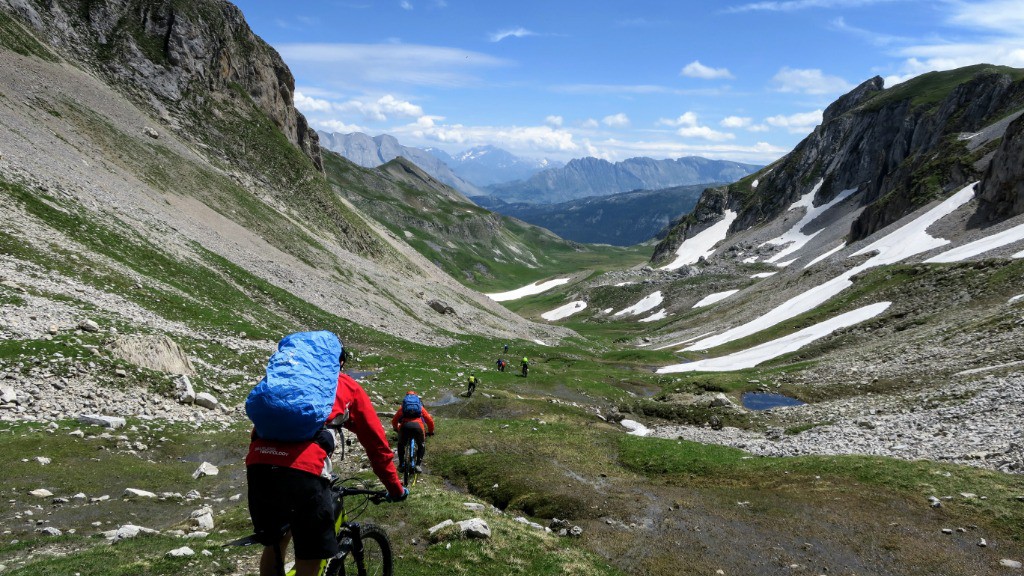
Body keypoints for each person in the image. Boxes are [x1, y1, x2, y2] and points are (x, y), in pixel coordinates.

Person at [246, 347, 407, 576]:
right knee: (310, 554)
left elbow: (259, 430)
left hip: (259, 466)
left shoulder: (286, 380)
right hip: (305, 472)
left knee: (276, 541)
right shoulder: (345, 384)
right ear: (339, 362)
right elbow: (377, 446)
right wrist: (395, 488)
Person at [391, 391, 435, 473]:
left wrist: (396, 428)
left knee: (401, 444)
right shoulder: (420, 407)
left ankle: (401, 464)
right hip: (418, 427)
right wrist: (431, 431)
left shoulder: (403, 408)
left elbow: (394, 420)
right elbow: (429, 420)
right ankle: (418, 465)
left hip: (405, 426)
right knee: (421, 445)